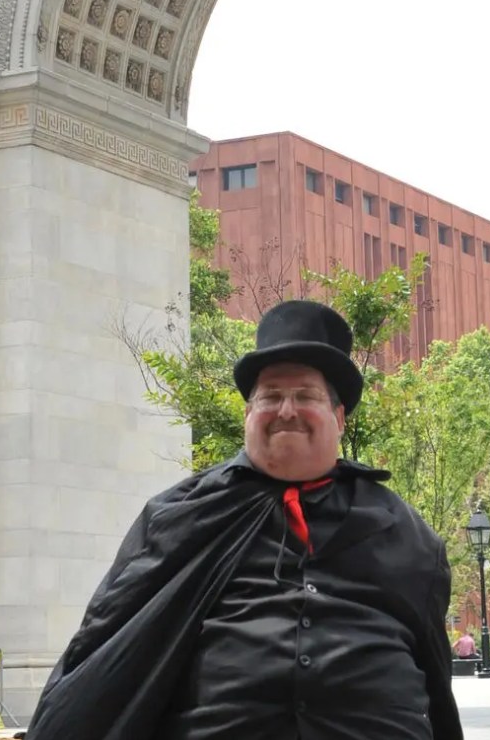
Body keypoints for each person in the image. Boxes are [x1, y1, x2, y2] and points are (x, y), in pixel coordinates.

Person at [30, 299, 464, 740]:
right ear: (248, 416)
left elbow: (432, 669)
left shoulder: (404, 532)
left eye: (305, 395)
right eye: (270, 396)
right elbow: (106, 645)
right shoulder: (180, 516)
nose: (287, 410)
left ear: (338, 417)